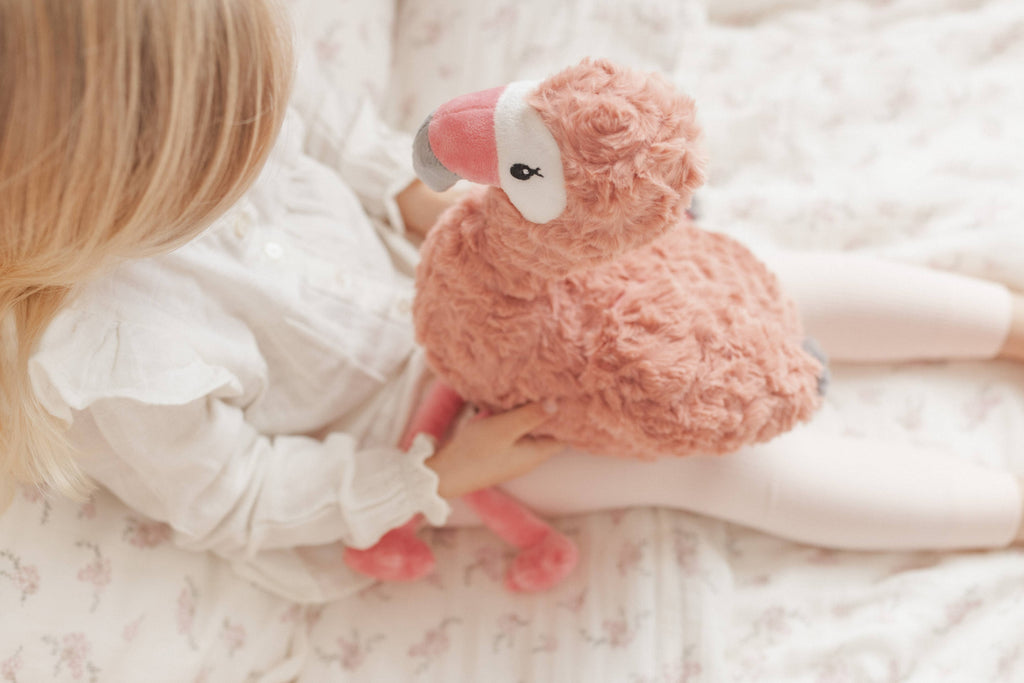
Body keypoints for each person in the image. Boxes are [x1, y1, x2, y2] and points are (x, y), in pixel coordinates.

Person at [2, 0, 1024, 605]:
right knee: (710, 465)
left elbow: (339, 141)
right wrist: (437, 472)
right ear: (102, 178)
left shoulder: (223, 91)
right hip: (424, 430)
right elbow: (240, 494)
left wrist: (453, 211)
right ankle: (1006, 512)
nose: (258, 128)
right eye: (225, 137)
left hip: (463, 283)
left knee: (740, 265)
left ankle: (1001, 323)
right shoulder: (113, 354)